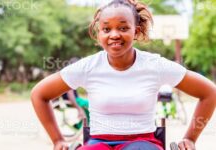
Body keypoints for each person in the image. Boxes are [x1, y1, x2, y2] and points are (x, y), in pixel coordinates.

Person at [31, 0, 216, 150]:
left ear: (136, 30)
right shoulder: (88, 67)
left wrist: (190, 138)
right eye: (106, 29)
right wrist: (57, 140)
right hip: (98, 143)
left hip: (143, 142)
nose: (114, 35)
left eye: (123, 27)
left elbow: (209, 93)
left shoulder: (155, 65)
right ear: (98, 33)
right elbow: (39, 94)